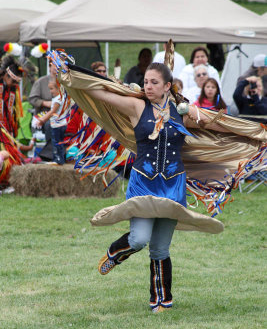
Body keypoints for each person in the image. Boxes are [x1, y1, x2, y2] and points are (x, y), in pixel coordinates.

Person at [72, 62, 229, 313]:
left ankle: (161, 300)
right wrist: (72, 74)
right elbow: (102, 93)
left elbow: (219, 125)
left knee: (160, 248)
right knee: (139, 239)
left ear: (168, 86)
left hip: (173, 185)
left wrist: (251, 133)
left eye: (154, 82)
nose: (148, 86)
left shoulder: (183, 111)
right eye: (146, 81)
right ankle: (115, 253)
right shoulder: (137, 106)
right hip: (143, 183)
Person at [36, 80, 67, 165]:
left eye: (52, 89)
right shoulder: (61, 97)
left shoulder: (58, 99)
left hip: (58, 125)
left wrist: (43, 119)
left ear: (59, 88)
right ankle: (59, 159)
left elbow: (52, 111)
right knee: (58, 142)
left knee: (56, 142)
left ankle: (57, 160)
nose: (50, 91)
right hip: (59, 124)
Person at [0, 55, 24, 137]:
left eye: (17, 83)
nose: (16, 85)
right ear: (6, 76)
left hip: (6, 126)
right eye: (14, 81)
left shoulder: (13, 89)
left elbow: (12, 111)